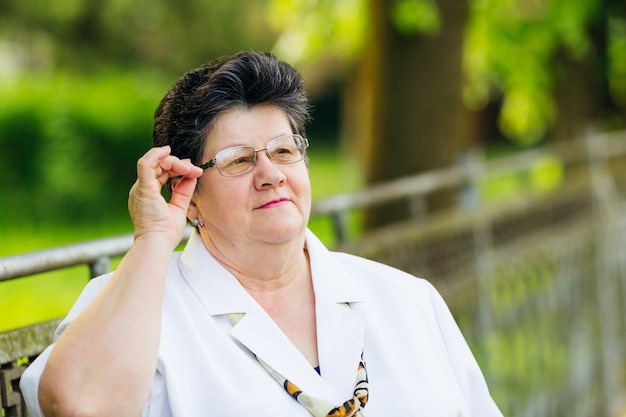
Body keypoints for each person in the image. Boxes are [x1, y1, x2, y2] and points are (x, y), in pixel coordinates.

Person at [20, 51, 503, 417]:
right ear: (190, 194)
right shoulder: (134, 309)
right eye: (239, 160)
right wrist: (152, 240)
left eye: (284, 151)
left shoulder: (406, 300)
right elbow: (77, 404)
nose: (270, 173)